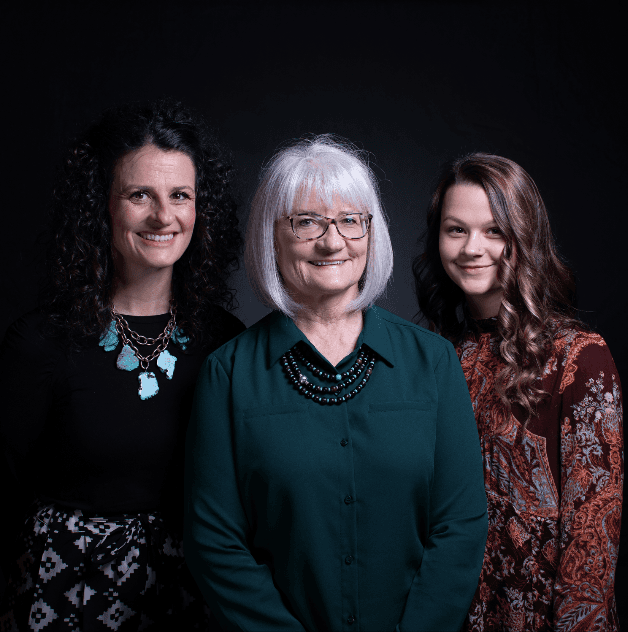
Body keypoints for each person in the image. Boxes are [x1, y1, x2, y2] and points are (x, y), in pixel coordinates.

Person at [185, 135, 488, 632]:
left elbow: (461, 526)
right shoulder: (228, 373)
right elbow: (214, 543)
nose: (333, 242)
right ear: (271, 236)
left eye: (351, 220)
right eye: (307, 222)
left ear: (373, 233)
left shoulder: (433, 362)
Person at [0, 100, 244, 631]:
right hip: (64, 595)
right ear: (102, 206)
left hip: (190, 599)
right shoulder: (38, 343)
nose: (163, 216)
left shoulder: (227, 342)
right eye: (140, 195)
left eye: (180, 195)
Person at [413, 152, 624, 631]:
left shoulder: (580, 358)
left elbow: (592, 540)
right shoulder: (435, 357)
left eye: (494, 231)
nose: (472, 248)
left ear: (523, 238)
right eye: (456, 230)